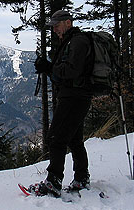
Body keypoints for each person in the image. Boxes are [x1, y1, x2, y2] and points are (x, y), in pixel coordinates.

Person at [31, 10, 93, 197]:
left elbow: (72, 71)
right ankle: (81, 178)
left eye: (57, 26)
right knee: (74, 139)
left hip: (74, 97)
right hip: (76, 95)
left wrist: (49, 67)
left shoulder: (78, 42)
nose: (55, 30)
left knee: (55, 138)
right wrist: (49, 68)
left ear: (68, 22)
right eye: (54, 27)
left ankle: (53, 182)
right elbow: (65, 74)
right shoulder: (71, 42)